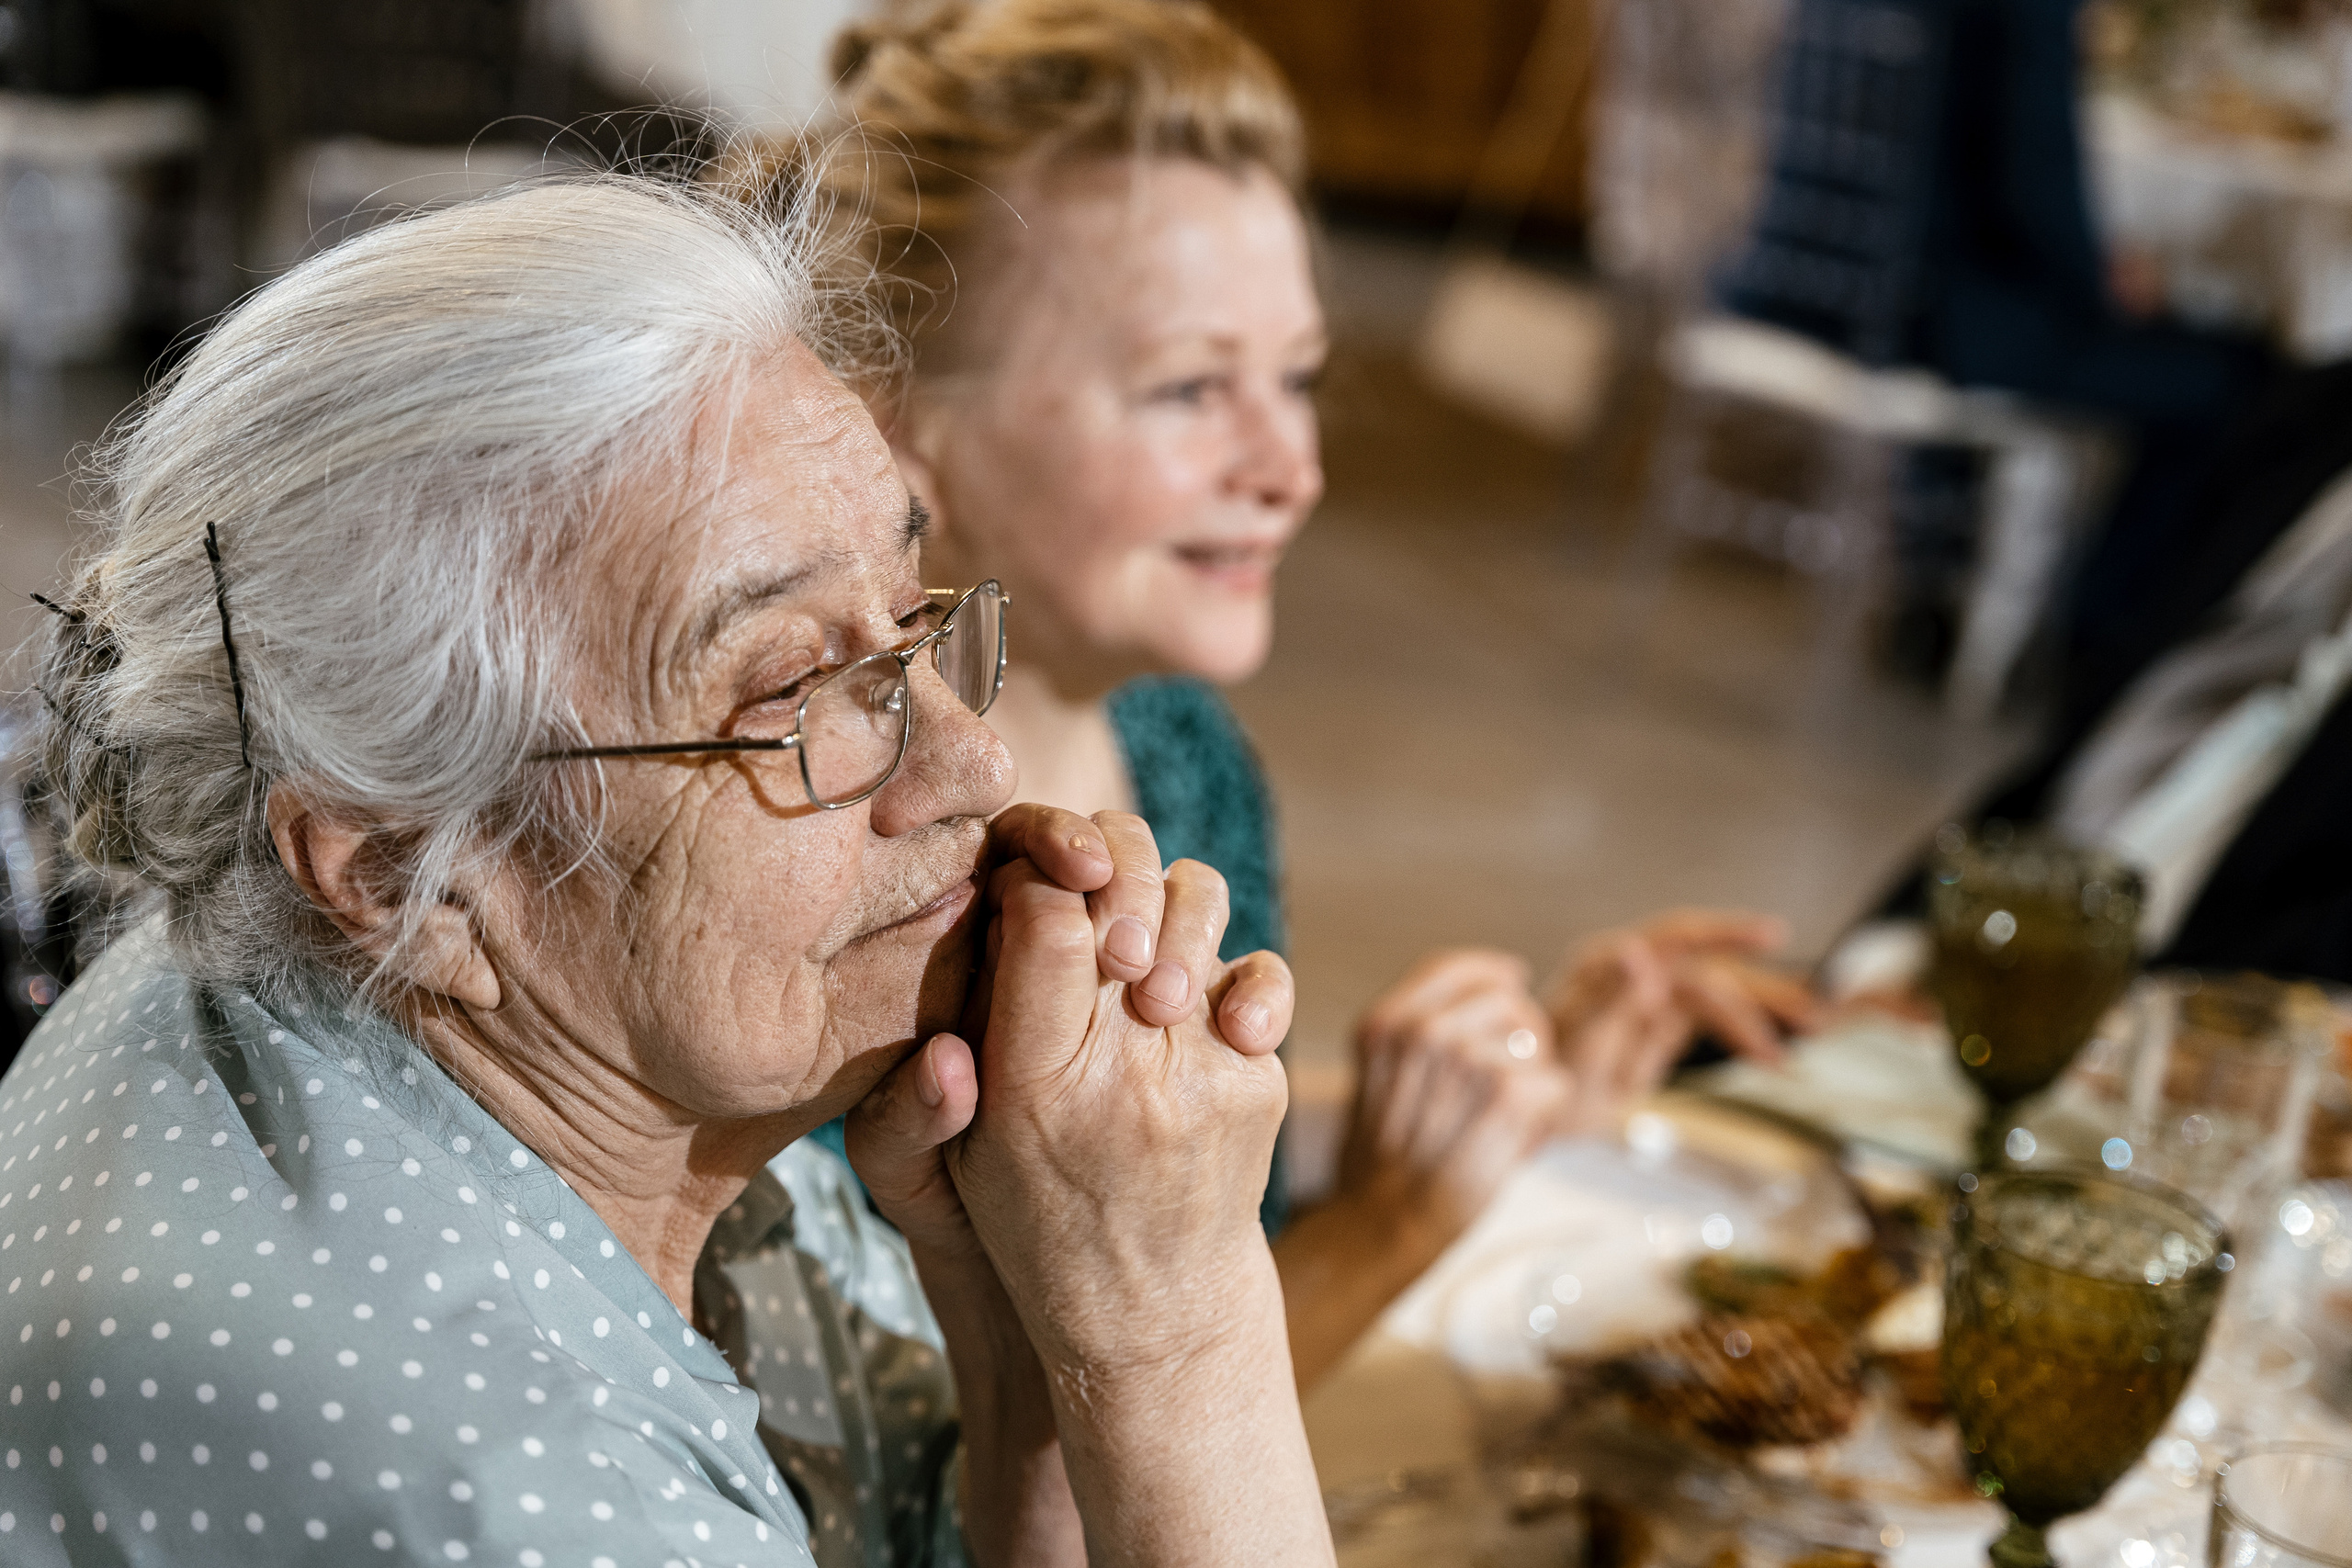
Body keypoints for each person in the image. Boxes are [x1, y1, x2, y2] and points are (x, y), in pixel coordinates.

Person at [0, 175, 1336, 1567]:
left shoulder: (356, 1019)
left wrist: (1025, 1337)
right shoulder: (505, 1497)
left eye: (910, 623)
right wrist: (1172, 1335)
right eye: (798, 691)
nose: (976, 768)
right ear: (404, 873)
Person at [733, 0, 1817, 1390]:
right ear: (896, 419)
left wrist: (1493, 1098)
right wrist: (1394, 1222)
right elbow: (984, 1489)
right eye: (1190, 390)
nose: (1289, 470)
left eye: (1296, 380)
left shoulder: (1182, 752)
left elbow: (1149, 1163)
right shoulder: (834, 873)